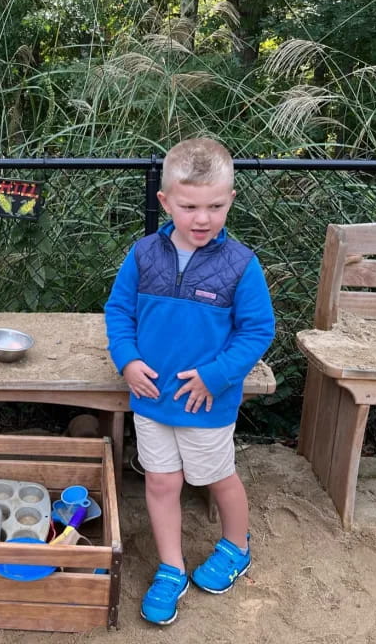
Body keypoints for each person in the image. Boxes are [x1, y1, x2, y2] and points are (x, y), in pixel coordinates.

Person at [104, 138, 275, 625]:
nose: (203, 218)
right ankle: (171, 567)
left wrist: (216, 376)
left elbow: (257, 330)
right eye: (190, 206)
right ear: (166, 202)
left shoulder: (240, 264)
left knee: (217, 478)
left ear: (231, 199)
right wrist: (128, 360)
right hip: (152, 397)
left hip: (206, 403)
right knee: (160, 481)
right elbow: (118, 312)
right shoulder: (142, 255)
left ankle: (236, 546)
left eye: (216, 206)